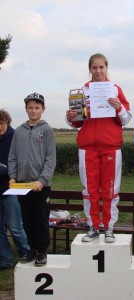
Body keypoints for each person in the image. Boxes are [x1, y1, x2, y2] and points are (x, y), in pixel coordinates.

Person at [66, 53, 131, 243]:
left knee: (110, 190)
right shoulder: (81, 91)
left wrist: (118, 107)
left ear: (106, 68)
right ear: (90, 69)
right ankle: (93, 227)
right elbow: (76, 123)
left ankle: (109, 227)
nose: (98, 71)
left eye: (101, 67)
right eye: (94, 67)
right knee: (90, 190)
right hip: (87, 148)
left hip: (111, 147)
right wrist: (70, 116)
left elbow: (126, 119)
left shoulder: (115, 89)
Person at [8, 93, 56, 267]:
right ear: (26, 109)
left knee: (41, 219)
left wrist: (42, 180)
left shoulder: (47, 130)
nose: (33, 110)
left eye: (37, 107)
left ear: (42, 109)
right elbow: (12, 156)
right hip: (21, 184)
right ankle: (33, 249)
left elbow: (50, 158)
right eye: (30, 107)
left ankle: (42, 251)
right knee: (27, 220)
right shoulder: (19, 130)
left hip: (40, 185)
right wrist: (13, 176)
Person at [0, 109, 30, 269]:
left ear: (7, 123)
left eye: (2, 123)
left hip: (12, 189)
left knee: (15, 226)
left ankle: (26, 252)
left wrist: (4, 169)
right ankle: (5, 260)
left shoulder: (15, 137)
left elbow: (20, 162)